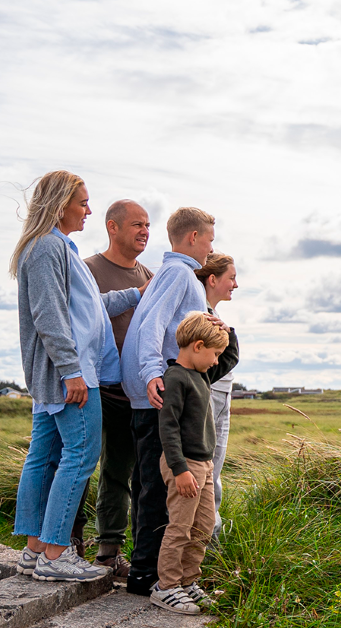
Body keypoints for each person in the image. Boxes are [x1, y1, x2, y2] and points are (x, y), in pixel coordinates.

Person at [8, 170, 140, 583]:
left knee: (43, 458)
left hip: (57, 375)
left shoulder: (54, 247)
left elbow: (90, 305)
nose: (88, 209)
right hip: (69, 375)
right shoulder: (49, 247)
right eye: (82, 202)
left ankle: (33, 552)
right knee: (80, 456)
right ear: (60, 203)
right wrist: (72, 372)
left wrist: (137, 293)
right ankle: (56, 554)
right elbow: (50, 316)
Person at [121, 207, 226, 596]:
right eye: (210, 239)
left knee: (149, 482)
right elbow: (152, 324)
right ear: (193, 238)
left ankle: (153, 570)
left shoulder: (174, 273)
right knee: (155, 488)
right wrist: (152, 373)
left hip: (156, 391)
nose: (211, 247)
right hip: (158, 394)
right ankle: (149, 574)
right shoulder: (181, 273)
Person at [69, 199, 153, 584]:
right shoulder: (88, 270)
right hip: (93, 388)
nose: (144, 232)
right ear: (112, 227)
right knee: (79, 468)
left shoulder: (150, 275)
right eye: (137, 224)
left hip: (131, 392)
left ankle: (109, 553)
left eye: (148, 225)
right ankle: (67, 546)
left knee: (120, 472)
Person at [152, 313, 237, 614]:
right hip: (184, 466)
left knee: (202, 526)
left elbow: (231, 359)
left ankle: (188, 581)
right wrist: (180, 470)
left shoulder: (202, 375)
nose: (217, 362)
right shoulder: (175, 379)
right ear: (198, 346)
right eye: (214, 354)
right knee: (181, 527)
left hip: (204, 465)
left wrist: (229, 332)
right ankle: (167, 586)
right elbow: (168, 427)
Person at [194, 253, 241, 530]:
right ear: (212, 279)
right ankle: (208, 539)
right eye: (231, 278)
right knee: (209, 469)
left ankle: (210, 535)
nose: (235, 284)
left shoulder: (212, 313)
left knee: (214, 470)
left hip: (219, 394)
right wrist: (230, 336)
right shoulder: (203, 315)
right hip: (211, 395)